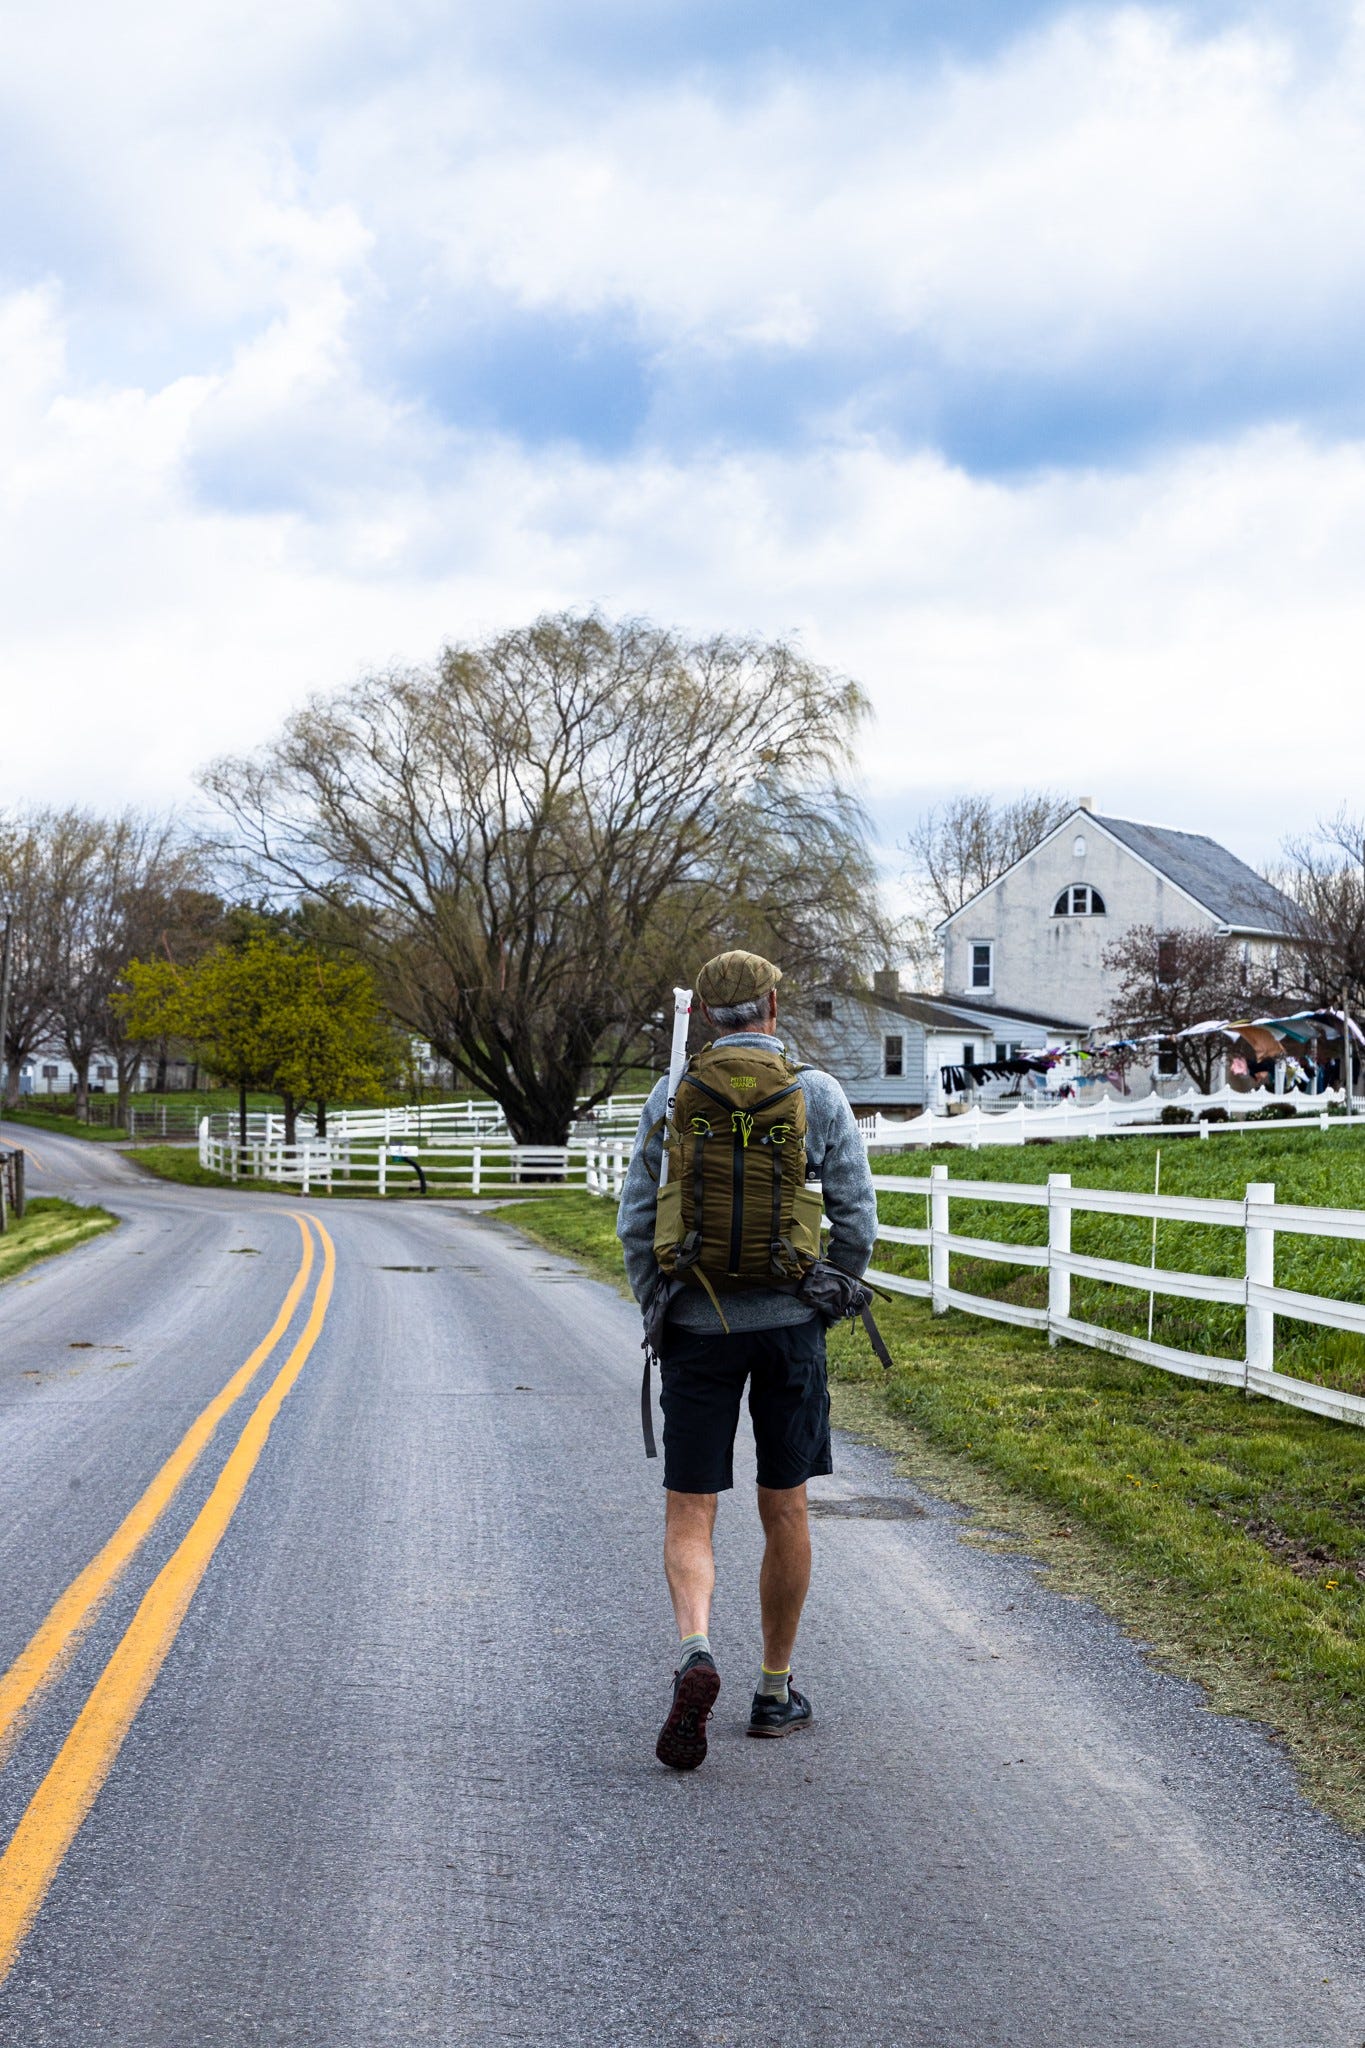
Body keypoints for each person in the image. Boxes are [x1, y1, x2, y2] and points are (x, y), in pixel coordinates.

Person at [616, 950, 879, 1771]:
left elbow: (634, 1219)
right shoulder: (818, 1095)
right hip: (789, 1326)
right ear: (771, 1006)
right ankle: (773, 1690)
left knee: (691, 1511)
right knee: (785, 1504)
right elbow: (855, 1216)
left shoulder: (671, 1096)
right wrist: (824, 1297)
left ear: (704, 1016)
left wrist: (658, 1309)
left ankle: (696, 1647)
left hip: (698, 1323)